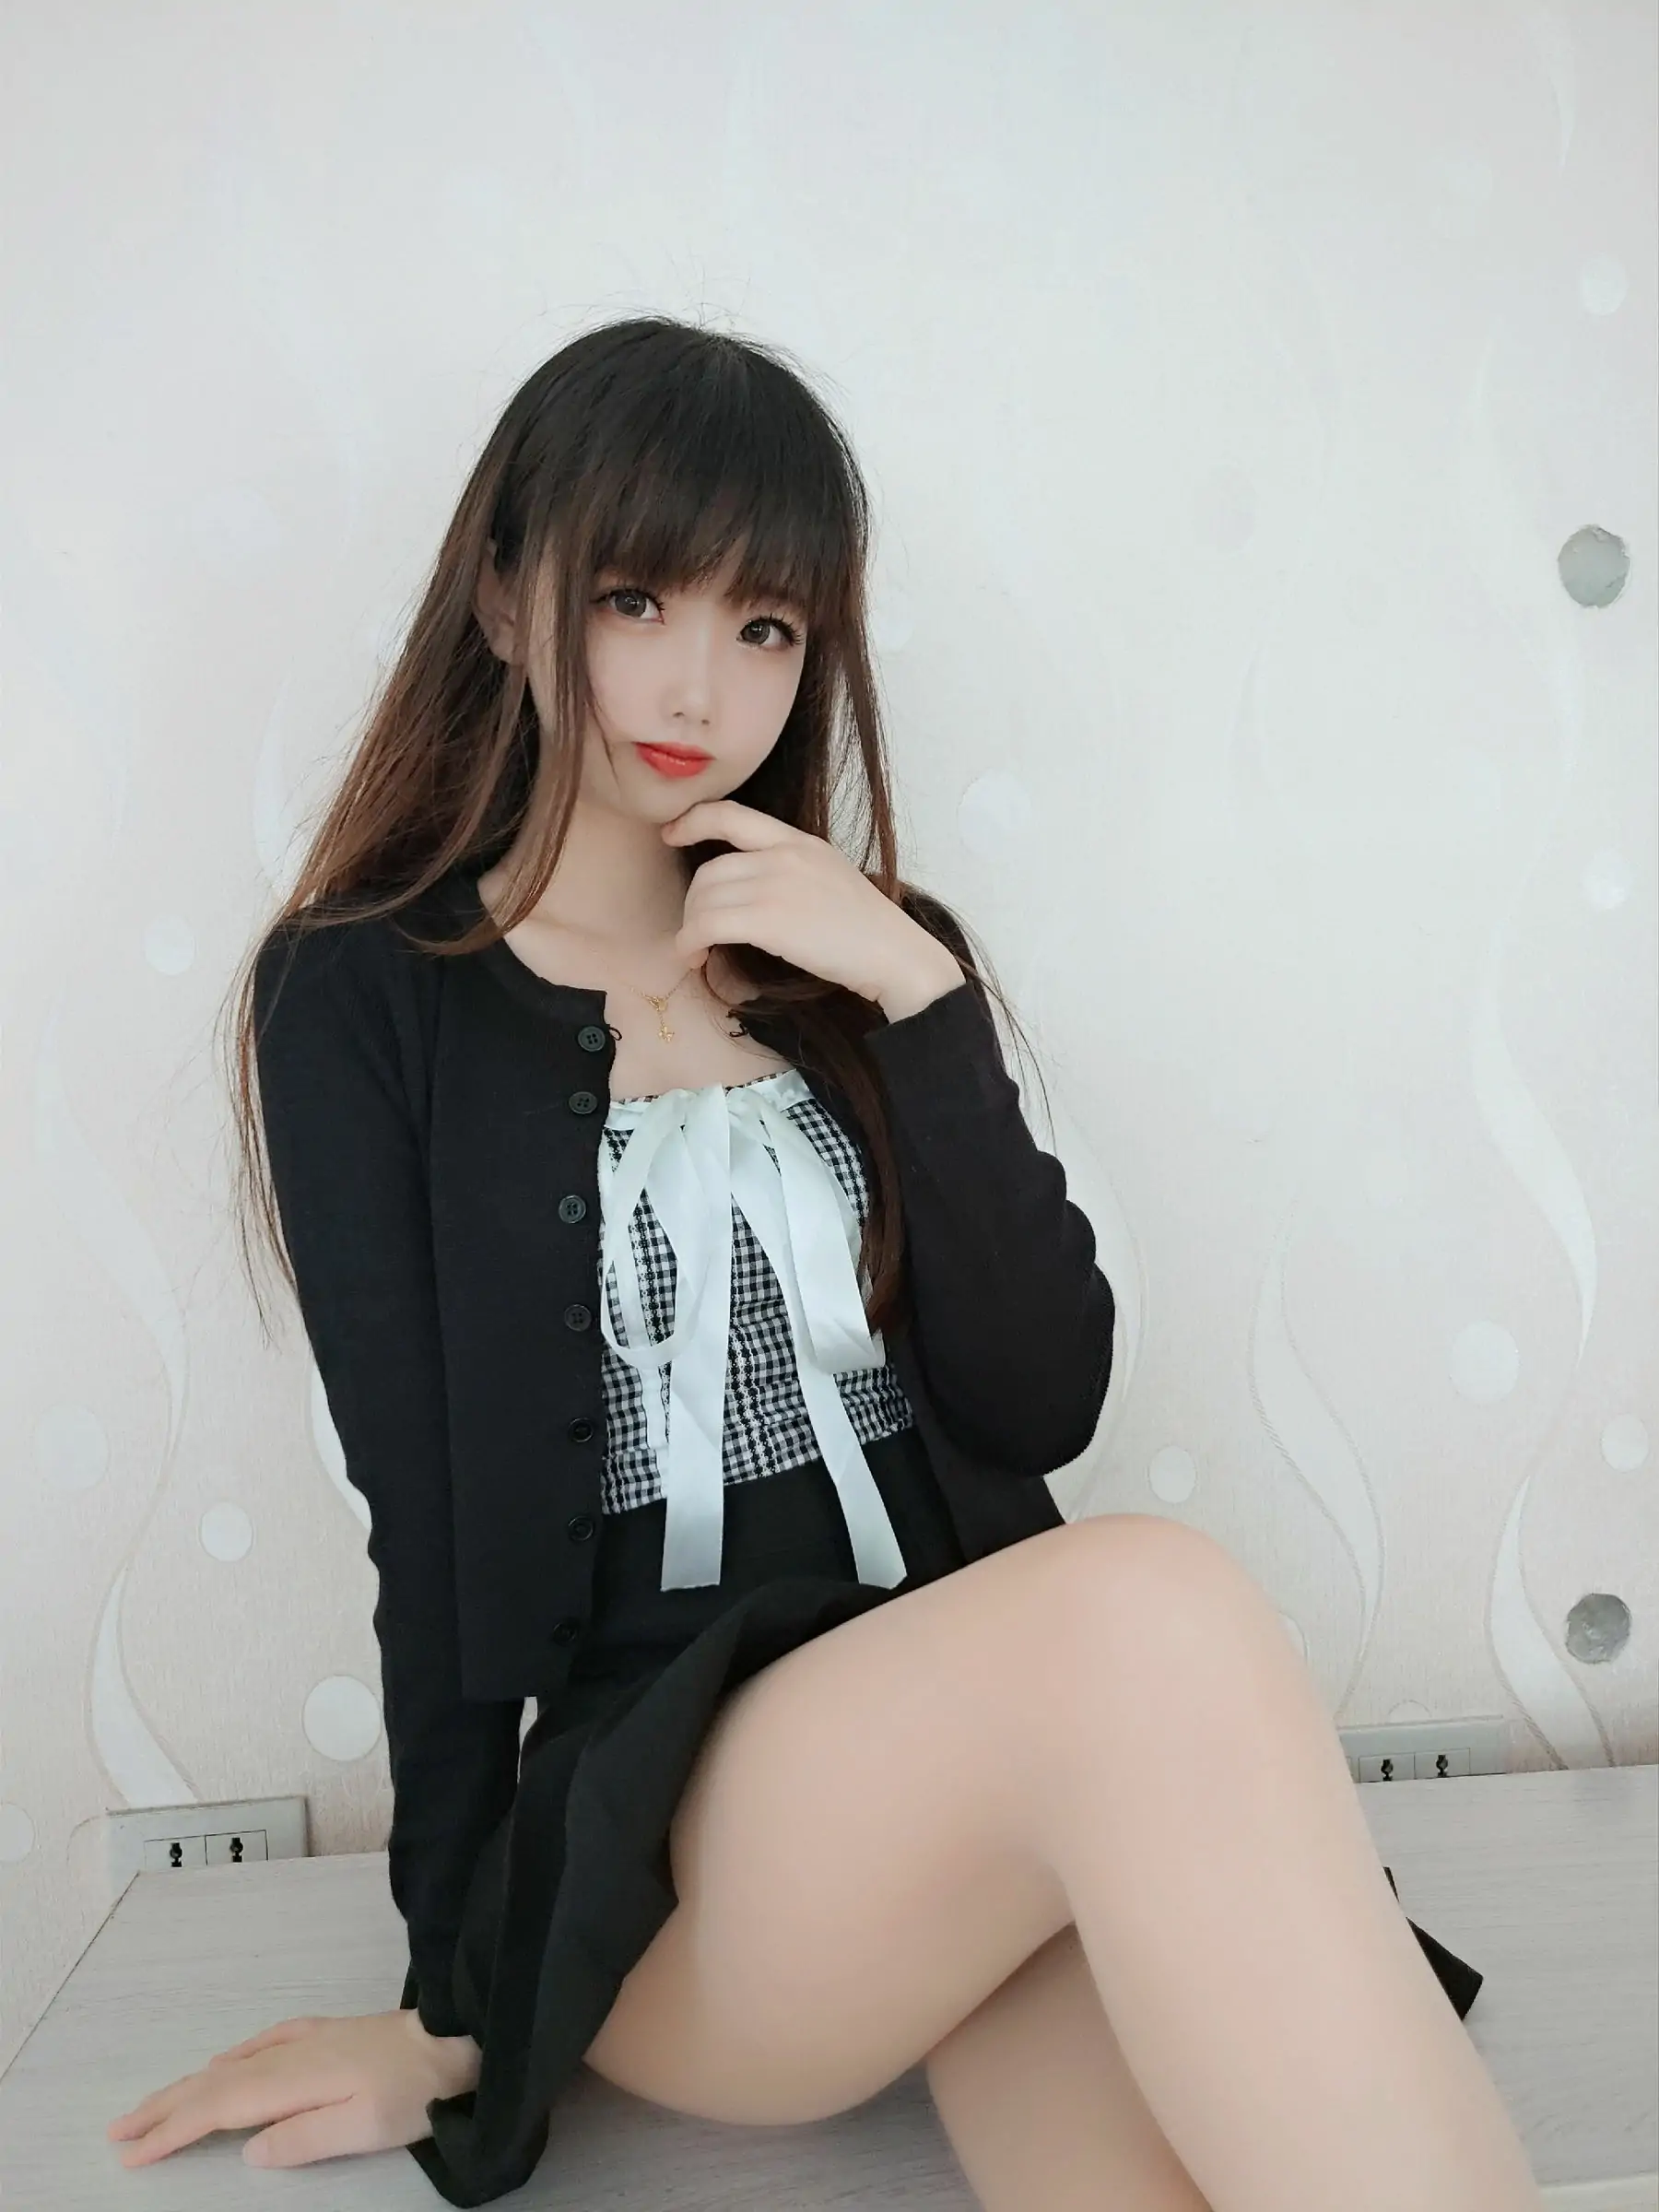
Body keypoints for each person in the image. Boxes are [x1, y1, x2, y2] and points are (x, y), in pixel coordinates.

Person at [106, 316, 1539, 2210]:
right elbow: (424, 1520)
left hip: (988, 1800)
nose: (701, 683)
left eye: (767, 626)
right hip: (692, 1867)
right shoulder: (368, 994)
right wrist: (452, 2005)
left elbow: (1040, 1399)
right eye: (636, 599)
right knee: (1150, 1610)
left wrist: (924, 1004)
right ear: (508, 595)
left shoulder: (862, 953)